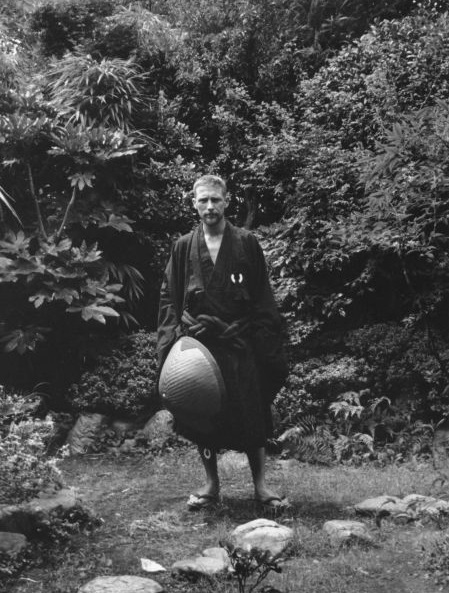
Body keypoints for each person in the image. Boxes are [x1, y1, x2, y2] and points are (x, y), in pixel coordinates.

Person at [157, 174, 288, 510]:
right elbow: (169, 298)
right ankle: (211, 484)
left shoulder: (246, 242)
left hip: (238, 341)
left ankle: (260, 486)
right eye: (203, 200)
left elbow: (262, 295)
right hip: (200, 345)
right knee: (202, 417)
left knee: (252, 411)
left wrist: (262, 337)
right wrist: (171, 339)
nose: (210, 206)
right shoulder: (183, 246)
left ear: (227, 201)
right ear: (194, 203)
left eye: (216, 199)